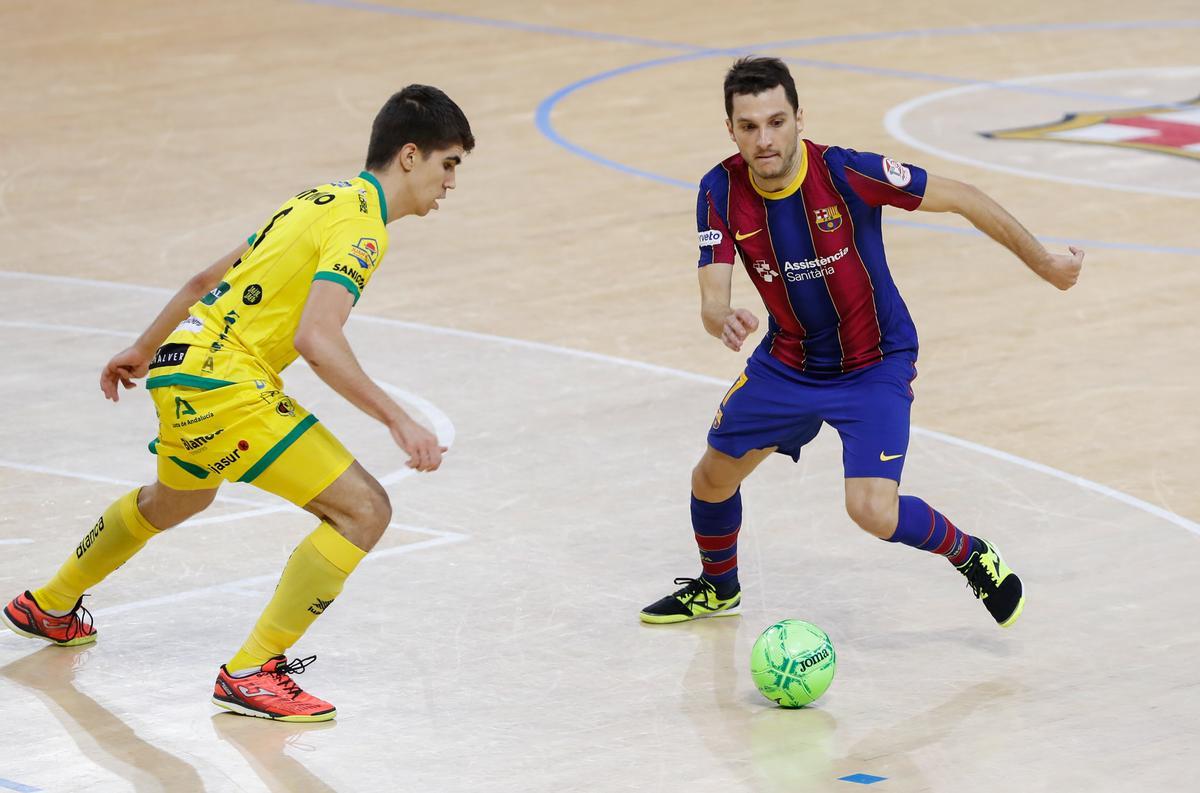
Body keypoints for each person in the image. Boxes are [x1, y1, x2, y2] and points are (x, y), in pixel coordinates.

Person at [1, 85, 474, 723]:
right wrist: (398, 419)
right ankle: (253, 671)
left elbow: (205, 282)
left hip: (181, 369)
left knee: (180, 498)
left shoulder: (316, 198)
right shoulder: (362, 230)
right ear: (410, 156)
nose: (450, 183)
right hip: (227, 386)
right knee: (365, 510)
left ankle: (50, 604)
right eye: (450, 164)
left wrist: (145, 347)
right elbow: (316, 338)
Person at [640, 57, 1083, 627]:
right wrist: (720, 316)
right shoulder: (719, 189)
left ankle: (972, 556)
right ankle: (718, 588)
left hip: (873, 364)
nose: (764, 139)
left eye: (776, 122)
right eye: (748, 126)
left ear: (800, 117)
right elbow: (712, 296)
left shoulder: (849, 174)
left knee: (871, 511)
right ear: (731, 129)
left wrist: (1045, 263)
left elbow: (964, 196)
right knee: (711, 478)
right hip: (788, 364)